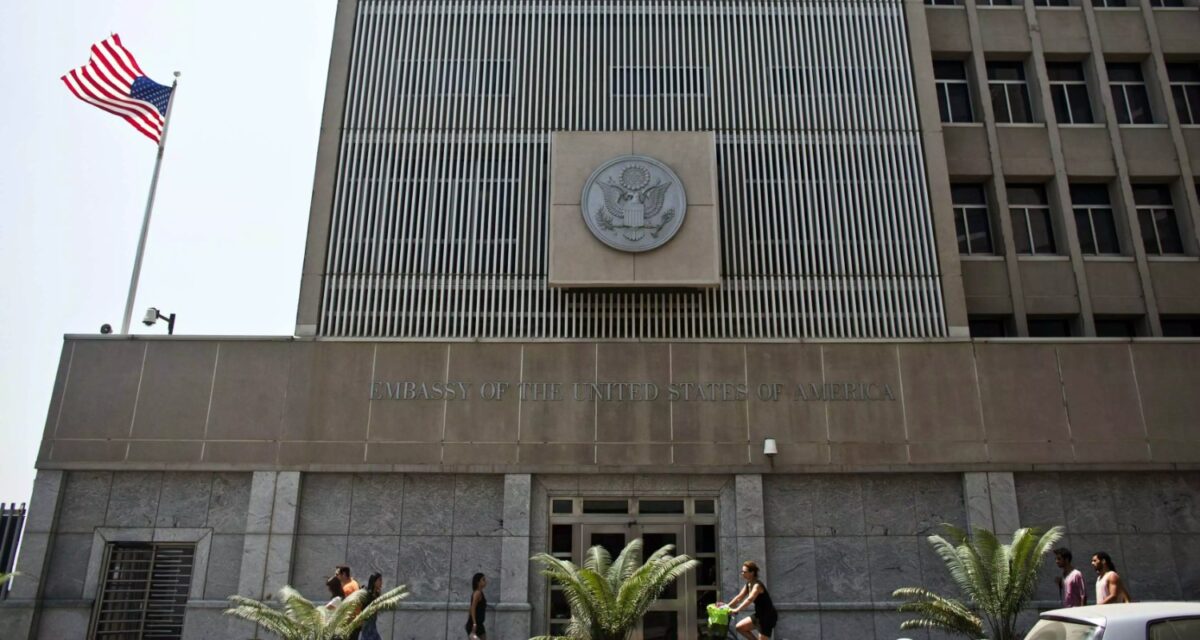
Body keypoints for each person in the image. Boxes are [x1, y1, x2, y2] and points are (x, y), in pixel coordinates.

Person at [723, 561, 777, 640]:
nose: (742, 574)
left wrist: (737, 609)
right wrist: (726, 606)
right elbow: (739, 597)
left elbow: (749, 599)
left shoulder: (757, 586)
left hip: (767, 617)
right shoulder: (748, 584)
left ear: (752, 573)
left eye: (744, 572)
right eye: (742, 572)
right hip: (759, 615)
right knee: (739, 627)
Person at [358, 572, 384, 640]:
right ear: (374, 581)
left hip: (373, 622)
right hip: (366, 622)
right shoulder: (367, 593)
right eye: (380, 580)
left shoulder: (377, 593)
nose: (381, 582)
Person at [466, 572, 488, 639]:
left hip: (480, 625)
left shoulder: (480, 593)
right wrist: (474, 624)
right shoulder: (477, 593)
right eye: (483, 580)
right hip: (474, 626)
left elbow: (470, 609)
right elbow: (472, 608)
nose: (485, 581)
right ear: (478, 582)